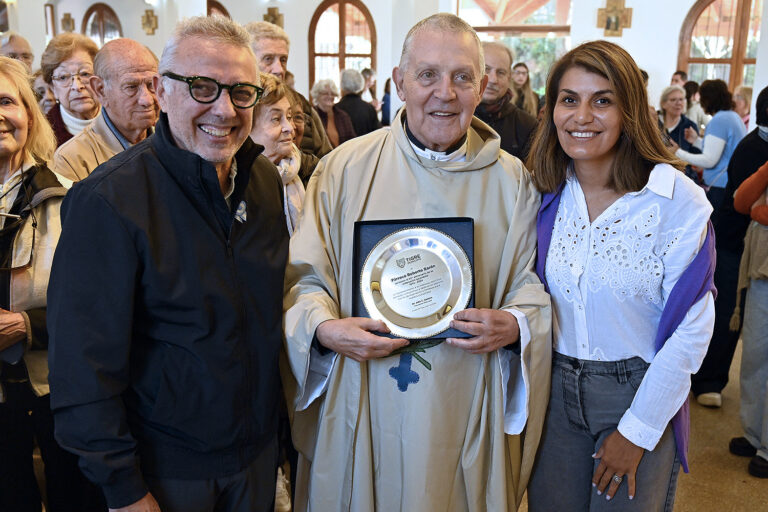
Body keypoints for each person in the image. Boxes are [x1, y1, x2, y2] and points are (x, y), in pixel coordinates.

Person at [283, 13, 551, 511]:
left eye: (461, 77)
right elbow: (306, 277)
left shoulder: (513, 182)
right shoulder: (344, 169)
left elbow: (528, 284)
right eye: (427, 75)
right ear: (399, 82)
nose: (444, 93)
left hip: (465, 393)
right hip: (362, 389)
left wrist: (514, 324)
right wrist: (323, 329)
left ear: (483, 86)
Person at [47, 16, 289, 512]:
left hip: (256, 455)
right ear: (162, 89)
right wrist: (124, 489)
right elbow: (82, 367)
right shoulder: (109, 201)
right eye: (203, 88)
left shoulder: (261, 180)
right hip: (166, 471)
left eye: (242, 92)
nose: (224, 109)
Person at [527, 40, 715, 511]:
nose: (582, 116)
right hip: (554, 394)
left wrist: (637, 430)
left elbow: (692, 332)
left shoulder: (676, 202)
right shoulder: (542, 193)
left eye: (602, 101)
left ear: (630, 109)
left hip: (638, 390)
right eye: (569, 100)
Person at [0, 56, 104, 512]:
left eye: (6, 101)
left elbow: (97, 304)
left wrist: (25, 324)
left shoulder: (65, 197)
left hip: (50, 390)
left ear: (28, 112)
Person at [692, 87, 768, 408]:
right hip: (733, 242)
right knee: (725, 315)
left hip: (749, 246)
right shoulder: (754, 148)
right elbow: (744, 205)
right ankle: (708, 380)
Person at [52, 38, 159, 185]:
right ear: (100, 90)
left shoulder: (175, 140)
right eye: (131, 87)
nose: (147, 100)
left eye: (151, 85)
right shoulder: (71, 160)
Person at [245, 21, 333, 158]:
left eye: (283, 60)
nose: (279, 69)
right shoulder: (236, 104)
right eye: (268, 59)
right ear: (247, 60)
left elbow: (326, 158)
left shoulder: (301, 103)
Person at [731, 157, 768, 478]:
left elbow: (756, 210)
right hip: (761, 273)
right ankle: (755, 433)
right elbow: (742, 201)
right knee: (755, 355)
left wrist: (762, 212)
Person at [673, 79, 746, 211]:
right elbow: (722, 151)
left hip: (719, 187)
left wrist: (678, 152)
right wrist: (696, 141)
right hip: (728, 185)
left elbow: (709, 160)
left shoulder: (719, 120)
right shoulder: (732, 116)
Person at [250, 73, 304, 235]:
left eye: (289, 116)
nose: (290, 127)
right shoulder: (236, 185)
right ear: (247, 127)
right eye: (276, 119)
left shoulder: (308, 172)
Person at [475, 41, 537, 161]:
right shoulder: (453, 117)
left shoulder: (527, 126)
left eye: (501, 72)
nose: (493, 80)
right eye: (486, 69)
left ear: (509, 78)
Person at [40, 33, 100, 147]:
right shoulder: (41, 133)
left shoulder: (120, 118)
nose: (77, 86)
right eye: (63, 77)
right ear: (53, 88)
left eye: (85, 74)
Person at [659, 85, 700, 182]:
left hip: (682, 178)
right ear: (663, 104)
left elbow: (697, 160)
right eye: (673, 100)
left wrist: (678, 153)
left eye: (681, 99)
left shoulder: (690, 126)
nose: (678, 103)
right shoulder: (654, 123)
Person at [310, 79, 356, 148]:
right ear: (317, 95)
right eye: (325, 93)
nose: (330, 96)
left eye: (332, 94)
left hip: (343, 157)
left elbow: (352, 141)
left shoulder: (343, 116)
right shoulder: (311, 116)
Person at [335, 68, 381, 137]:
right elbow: (378, 135)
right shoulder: (369, 109)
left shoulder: (336, 109)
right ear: (361, 84)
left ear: (342, 85)